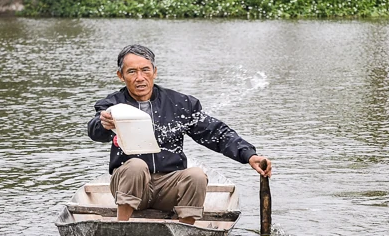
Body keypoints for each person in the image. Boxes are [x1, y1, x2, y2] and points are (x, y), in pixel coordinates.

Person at [87, 45, 272, 224]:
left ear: (155, 71)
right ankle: (121, 227)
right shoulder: (113, 105)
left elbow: (215, 132)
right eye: (132, 72)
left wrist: (249, 155)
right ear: (121, 76)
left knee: (197, 175)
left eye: (145, 70)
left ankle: (185, 230)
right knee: (136, 165)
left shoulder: (179, 104)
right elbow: (95, 130)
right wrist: (104, 124)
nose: (140, 78)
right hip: (129, 187)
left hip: (169, 186)